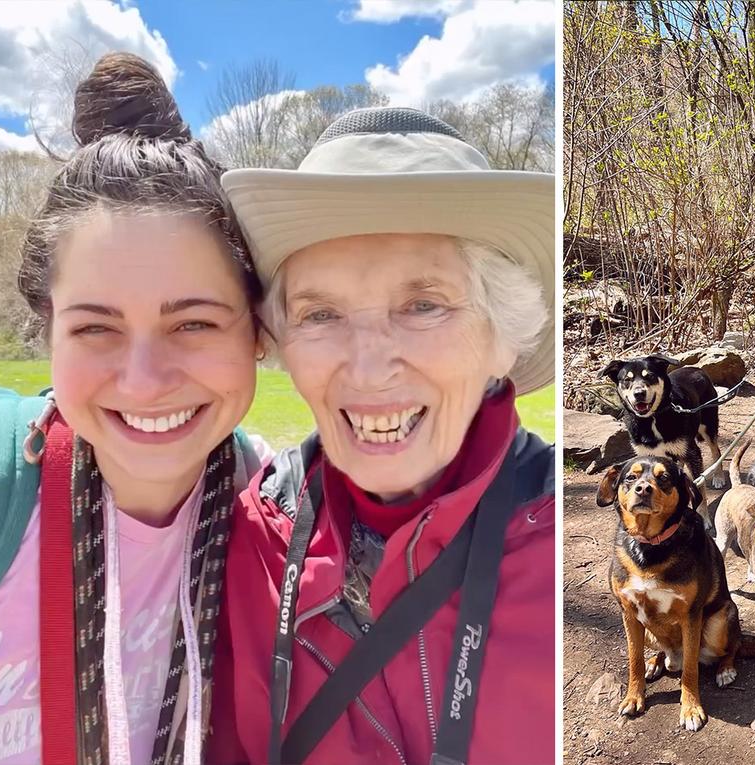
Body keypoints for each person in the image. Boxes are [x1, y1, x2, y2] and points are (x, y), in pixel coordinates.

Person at [208, 108, 555, 765]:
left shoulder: (555, 543)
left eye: (423, 304)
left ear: (501, 338)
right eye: (320, 313)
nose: (367, 368)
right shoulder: (254, 535)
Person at [0, 53, 264, 765]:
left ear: (258, 329)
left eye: (194, 323)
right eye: (96, 327)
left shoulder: (269, 504)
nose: (145, 381)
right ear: (48, 331)